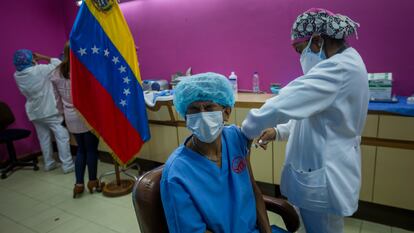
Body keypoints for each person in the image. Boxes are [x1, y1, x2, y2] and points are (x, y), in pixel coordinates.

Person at [241, 8, 369, 233]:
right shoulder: (344, 63)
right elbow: (313, 116)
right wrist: (278, 132)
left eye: (302, 50)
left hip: (324, 176)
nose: (301, 58)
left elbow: (285, 101)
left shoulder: (338, 68)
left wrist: (246, 129)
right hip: (316, 172)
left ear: (318, 40)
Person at [160, 72, 289, 233]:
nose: (202, 115)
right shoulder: (176, 174)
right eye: (194, 109)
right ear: (186, 118)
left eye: (208, 107)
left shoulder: (235, 138)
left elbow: (253, 190)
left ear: (226, 112)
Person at [51, 42, 101, 198]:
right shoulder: (83, 71)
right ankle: (92, 181)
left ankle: (78, 184)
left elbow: (57, 100)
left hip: (70, 116)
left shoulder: (56, 72)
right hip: (87, 116)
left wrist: (62, 115)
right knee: (91, 150)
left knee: (81, 150)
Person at [13, 49, 74, 173]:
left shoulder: (17, 75)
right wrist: (42, 56)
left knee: (44, 138)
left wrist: (33, 61)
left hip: (34, 112)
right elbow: (59, 64)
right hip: (49, 109)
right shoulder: (39, 70)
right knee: (62, 136)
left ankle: (49, 163)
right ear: (31, 59)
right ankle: (67, 165)